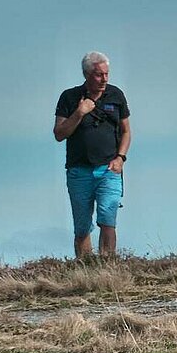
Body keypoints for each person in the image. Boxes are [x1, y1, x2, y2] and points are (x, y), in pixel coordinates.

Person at [53, 51, 131, 258]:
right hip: (79, 171)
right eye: (99, 75)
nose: (104, 79)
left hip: (109, 169)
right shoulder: (69, 97)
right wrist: (80, 112)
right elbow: (59, 134)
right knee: (82, 227)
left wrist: (120, 158)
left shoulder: (116, 95)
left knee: (107, 219)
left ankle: (107, 267)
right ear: (87, 74)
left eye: (106, 74)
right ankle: (85, 268)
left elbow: (126, 131)